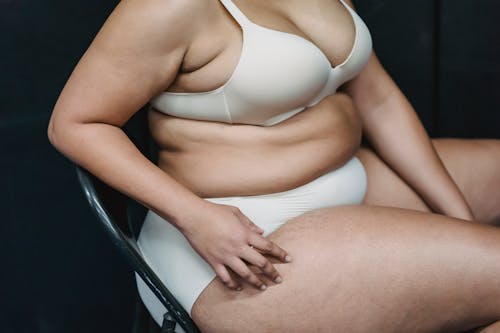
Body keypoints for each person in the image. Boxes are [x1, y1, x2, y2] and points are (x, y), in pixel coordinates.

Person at [48, 0, 500, 331]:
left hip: (345, 178)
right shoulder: (169, 7)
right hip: (245, 239)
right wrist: (197, 218)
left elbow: (377, 98)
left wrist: (458, 217)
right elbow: (75, 124)